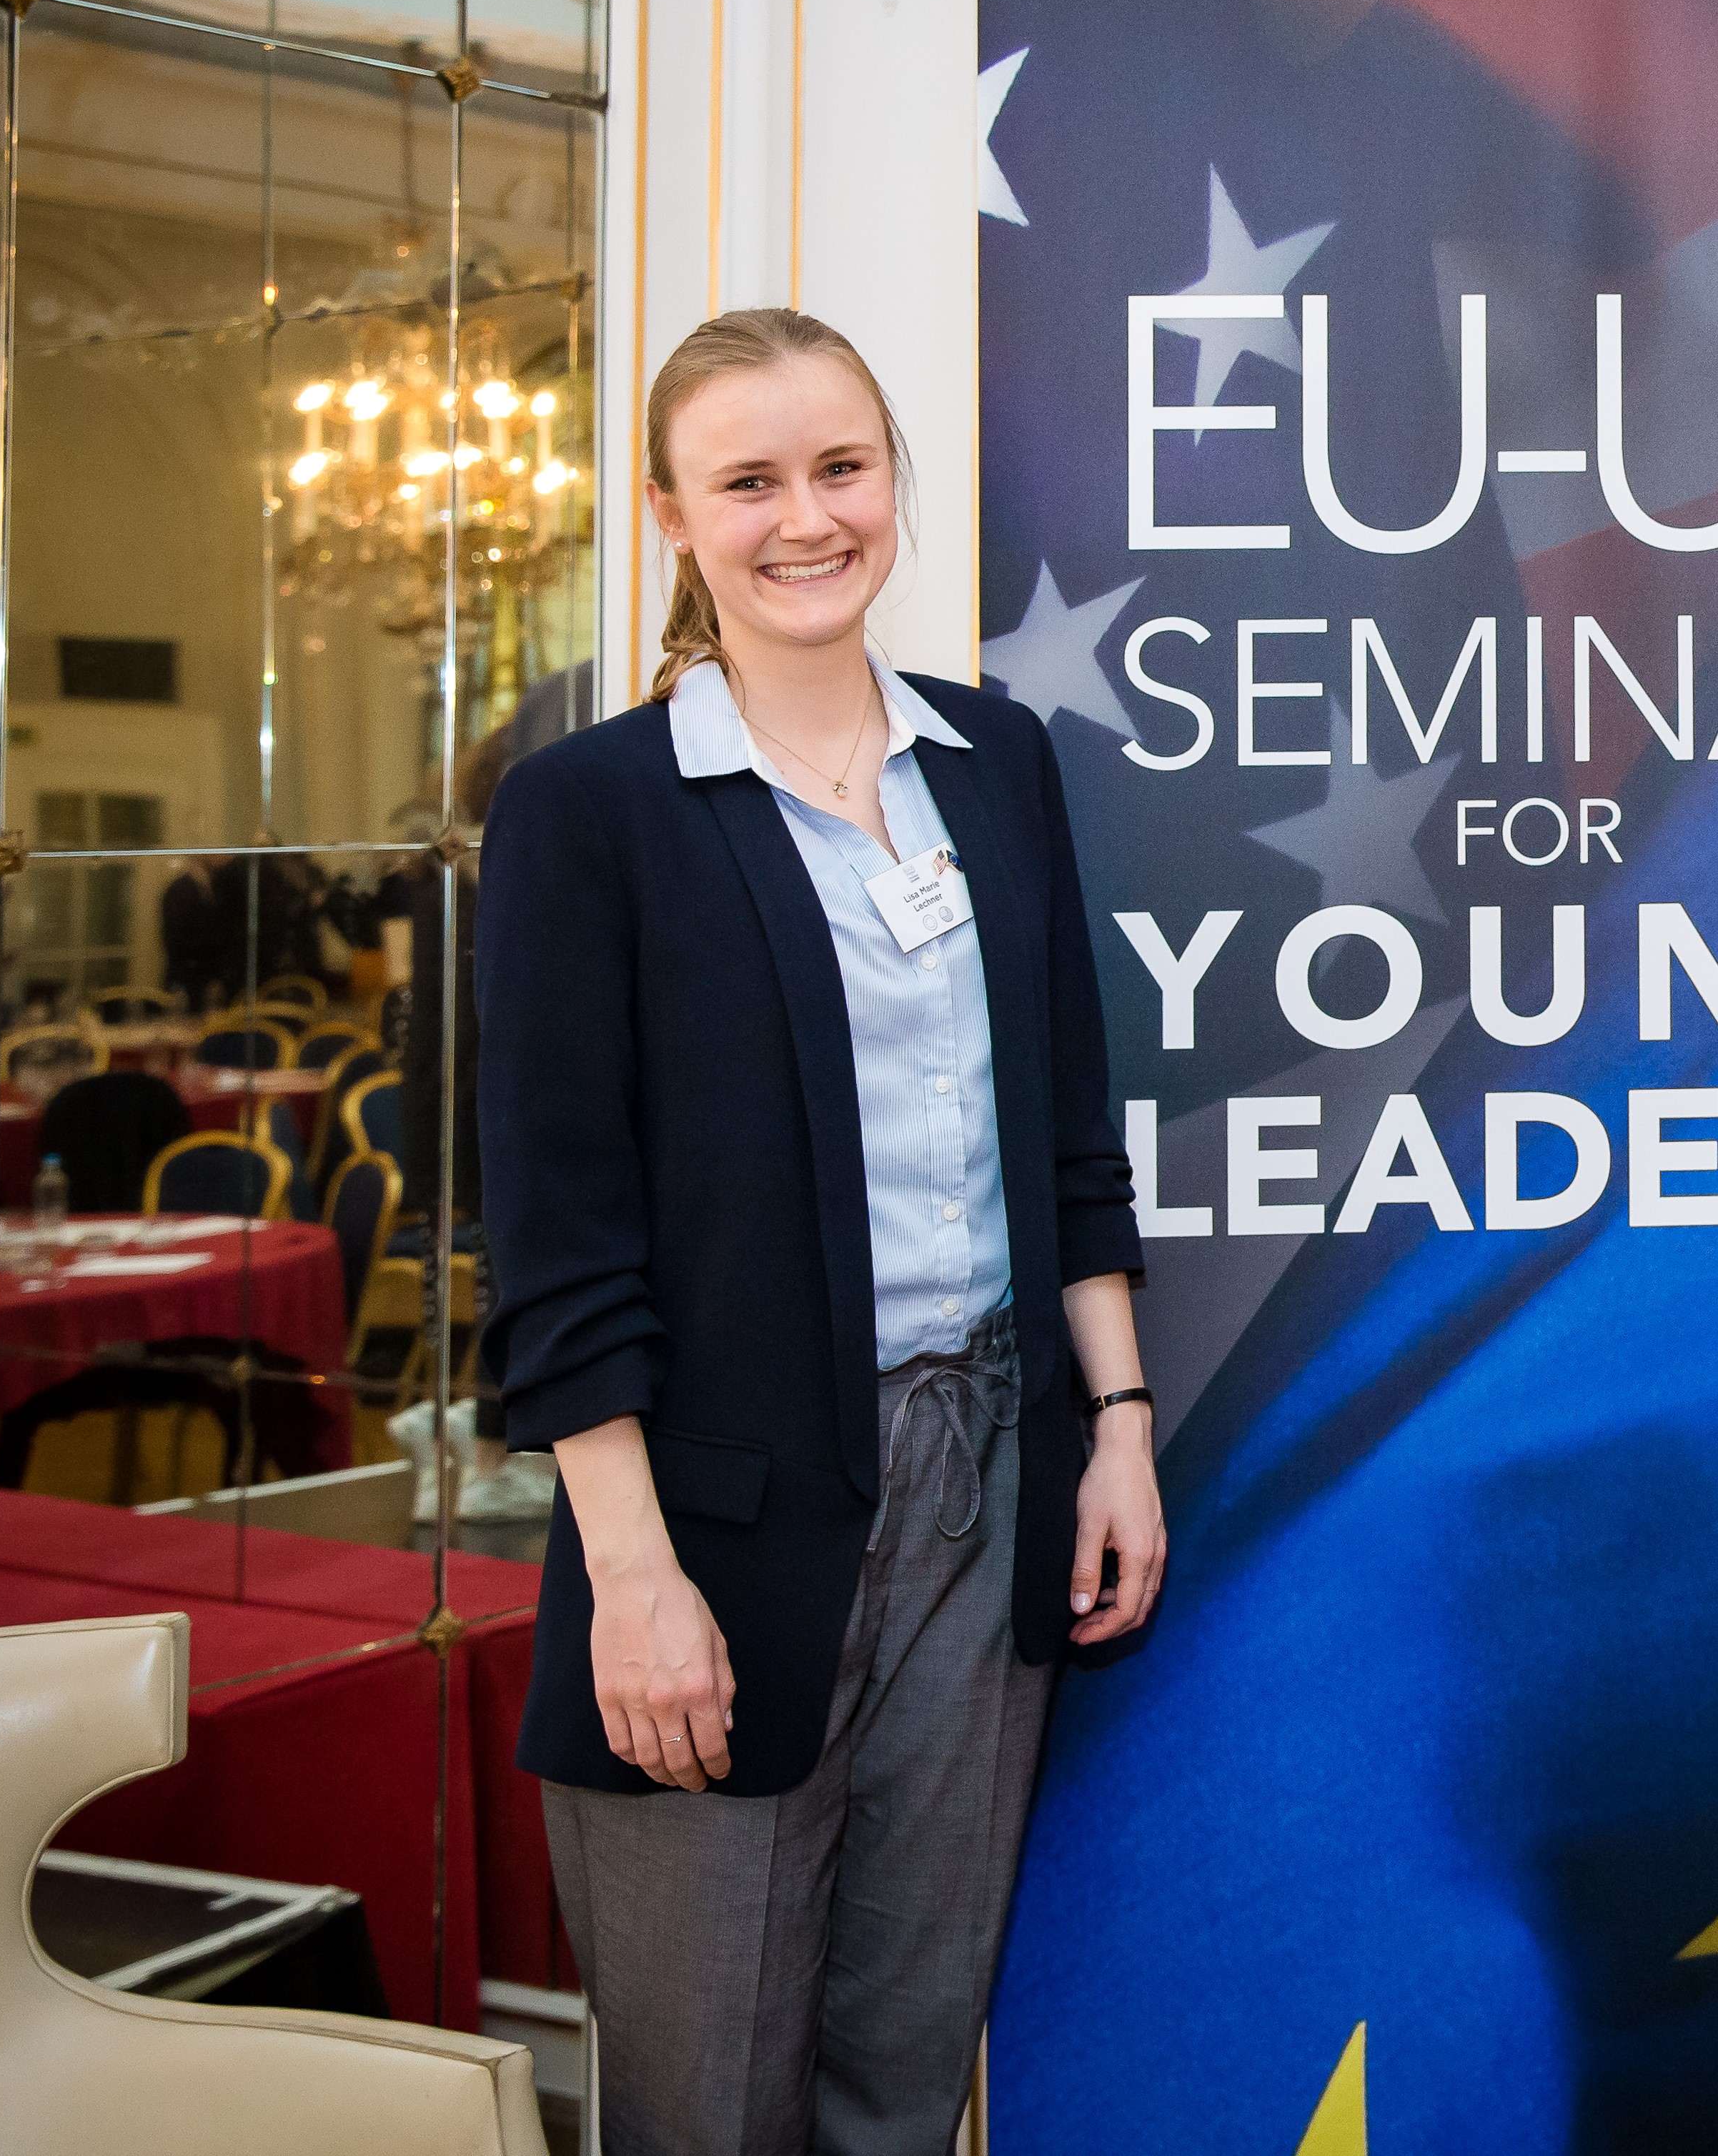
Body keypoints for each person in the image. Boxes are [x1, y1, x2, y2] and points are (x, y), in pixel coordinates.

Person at [479, 307, 1163, 2155]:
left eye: (840, 466)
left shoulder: (1000, 759)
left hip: (995, 1464)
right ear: (669, 513)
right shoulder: (584, 811)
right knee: (710, 2101)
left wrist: (1117, 1424)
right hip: (715, 1514)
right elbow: (557, 1236)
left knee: (904, 2062)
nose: (806, 517)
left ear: (893, 478)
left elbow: (1071, 1129)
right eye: (749, 479)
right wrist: (630, 1573)